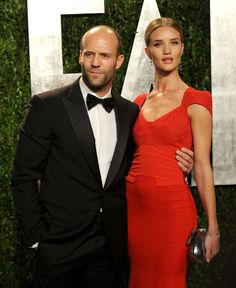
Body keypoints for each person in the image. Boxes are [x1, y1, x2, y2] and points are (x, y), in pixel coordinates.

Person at [11, 25, 193, 288]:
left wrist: (180, 164)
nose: (95, 63)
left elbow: (140, 163)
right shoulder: (47, 105)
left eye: (104, 56)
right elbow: (24, 176)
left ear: (119, 61)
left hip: (111, 246)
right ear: (80, 57)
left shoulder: (131, 113)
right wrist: (38, 238)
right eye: (89, 54)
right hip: (60, 245)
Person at [126, 18, 220, 288]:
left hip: (171, 210)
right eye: (158, 44)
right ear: (148, 52)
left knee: (168, 280)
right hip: (134, 209)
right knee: (139, 279)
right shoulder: (138, 102)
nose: (167, 50)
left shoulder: (197, 99)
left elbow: (202, 166)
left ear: (182, 48)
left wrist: (213, 229)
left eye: (174, 42)